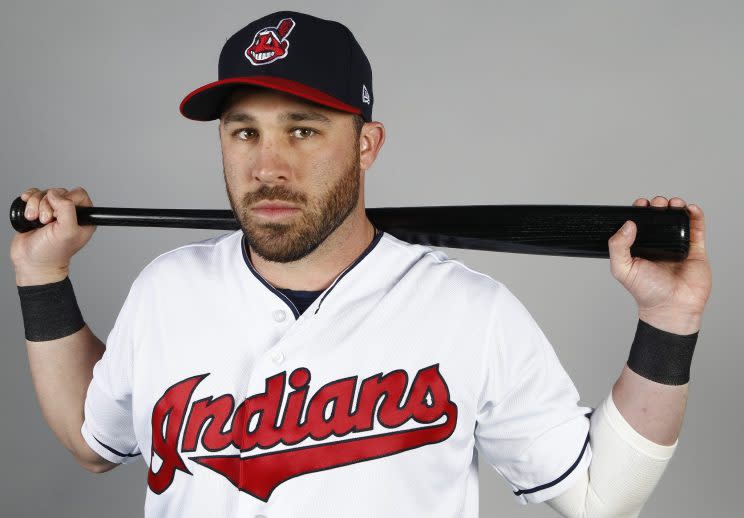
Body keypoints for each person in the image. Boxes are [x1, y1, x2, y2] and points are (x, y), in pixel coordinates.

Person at [10, 10, 712, 518]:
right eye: (244, 131)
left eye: (304, 130)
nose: (267, 166)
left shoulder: (468, 312)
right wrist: (43, 277)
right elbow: (92, 440)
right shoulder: (168, 290)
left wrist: (667, 321)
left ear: (367, 144)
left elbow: (600, 498)